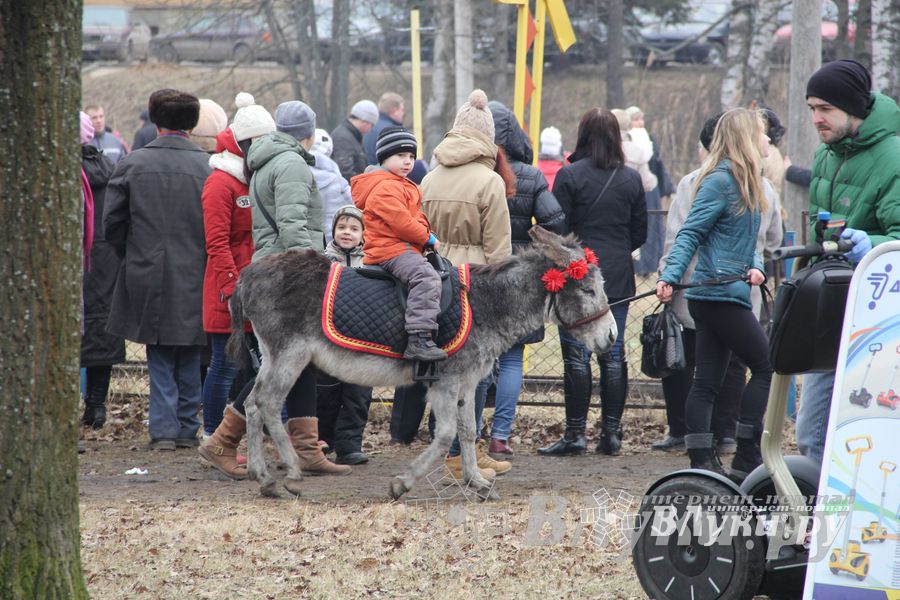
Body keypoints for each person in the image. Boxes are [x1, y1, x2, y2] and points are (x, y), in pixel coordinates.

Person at [654, 112, 783, 455]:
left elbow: (750, 244)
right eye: (761, 133)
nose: (766, 139)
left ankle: (702, 459)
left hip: (727, 292)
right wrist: (668, 276)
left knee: (707, 381)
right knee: (766, 366)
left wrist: (756, 267)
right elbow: (690, 233)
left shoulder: (748, 181)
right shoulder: (720, 180)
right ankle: (745, 452)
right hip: (717, 294)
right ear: (745, 137)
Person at [796, 60, 900, 464]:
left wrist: (868, 246)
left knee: (864, 435)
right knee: (811, 435)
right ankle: (821, 521)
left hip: (879, 319)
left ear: (853, 108)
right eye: (811, 109)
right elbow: (817, 238)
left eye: (825, 109)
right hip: (831, 308)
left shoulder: (892, 157)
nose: (816, 119)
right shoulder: (825, 155)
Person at [242, 100, 349, 475]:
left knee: (290, 365)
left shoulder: (269, 159)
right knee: (279, 367)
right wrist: (316, 267)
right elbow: (292, 227)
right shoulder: (289, 164)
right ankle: (225, 441)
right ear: (308, 131)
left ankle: (305, 450)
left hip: (274, 269)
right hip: (288, 277)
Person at [104, 89, 210, 450]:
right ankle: (184, 427)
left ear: (154, 119)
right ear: (192, 125)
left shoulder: (133, 163)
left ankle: (165, 429)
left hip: (145, 269)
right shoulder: (208, 167)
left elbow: (112, 224)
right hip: (198, 270)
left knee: (160, 349)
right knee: (192, 348)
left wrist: (133, 253)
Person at [538, 108, 647, 457]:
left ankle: (575, 435)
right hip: (615, 272)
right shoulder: (631, 179)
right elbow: (640, 233)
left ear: (582, 134)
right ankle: (612, 435)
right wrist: (615, 251)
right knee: (613, 354)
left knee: (576, 356)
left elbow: (559, 228)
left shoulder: (569, 175)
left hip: (578, 273)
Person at [420, 89, 513, 478]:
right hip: (474, 287)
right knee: (476, 372)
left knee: (443, 368)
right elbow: (499, 252)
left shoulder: (428, 178)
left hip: (434, 280)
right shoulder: (489, 182)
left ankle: (447, 445)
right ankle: (463, 452)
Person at [486, 100, 566, 458]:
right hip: (519, 274)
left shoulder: (472, 170)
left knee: (473, 356)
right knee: (513, 359)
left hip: (479, 271)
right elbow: (556, 222)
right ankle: (500, 436)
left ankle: (461, 435)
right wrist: (530, 243)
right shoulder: (531, 177)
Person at [199, 92, 275, 447]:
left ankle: (242, 436)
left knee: (254, 365)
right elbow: (216, 243)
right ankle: (212, 433)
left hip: (256, 285)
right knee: (224, 363)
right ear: (245, 143)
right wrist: (232, 288)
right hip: (228, 286)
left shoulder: (253, 176)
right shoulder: (220, 182)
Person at [352, 126, 447, 362]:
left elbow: (416, 217)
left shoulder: (402, 184)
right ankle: (419, 338)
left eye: (412, 156)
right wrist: (427, 238)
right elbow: (401, 222)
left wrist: (426, 233)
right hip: (391, 249)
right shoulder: (384, 187)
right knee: (426, 277)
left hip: (402, 247)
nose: (407, 161)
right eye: (400, 156)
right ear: (384, 157)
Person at [316, 206, 374, 465]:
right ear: (333, 231)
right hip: (330, 337)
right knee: (326, 392)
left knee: (358, 395)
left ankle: (349, 445)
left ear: (363, 234)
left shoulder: (372, 262)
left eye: (353, 228)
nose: (346, 233)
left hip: (363, 338)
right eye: (341, 228)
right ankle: (322, 441)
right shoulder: (323, 261)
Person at [80, 111, 124, 429]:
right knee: (101, 330)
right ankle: (96, 407)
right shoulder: (109, 171)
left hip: (79, 263)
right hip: (105, 262)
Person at [628, 106, 675, 277]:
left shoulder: (650, 139)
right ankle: (638, 266)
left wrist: (664, 187)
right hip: (635, 189)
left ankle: (651, 264)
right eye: (635, 119)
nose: (639, 123)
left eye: (641, 119)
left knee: (653, 226)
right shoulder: (627, 140)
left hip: (651, 189)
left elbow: (658, 165)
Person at [309, 128, 353, 244]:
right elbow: (355, 206)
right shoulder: (337, 180)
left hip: (304, 243)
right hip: (333, 242)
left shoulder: (293, 174)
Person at [331, 99, 378, 182]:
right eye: (372, 125)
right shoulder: (344, 138)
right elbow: (345, 172)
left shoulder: (351, 136)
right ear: (365, 122)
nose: (371, 130)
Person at [363, 92, 405, 165]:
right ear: (394, 110)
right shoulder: (394, 131)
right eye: (402, 110)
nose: (403, 113)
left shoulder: (368, 126)